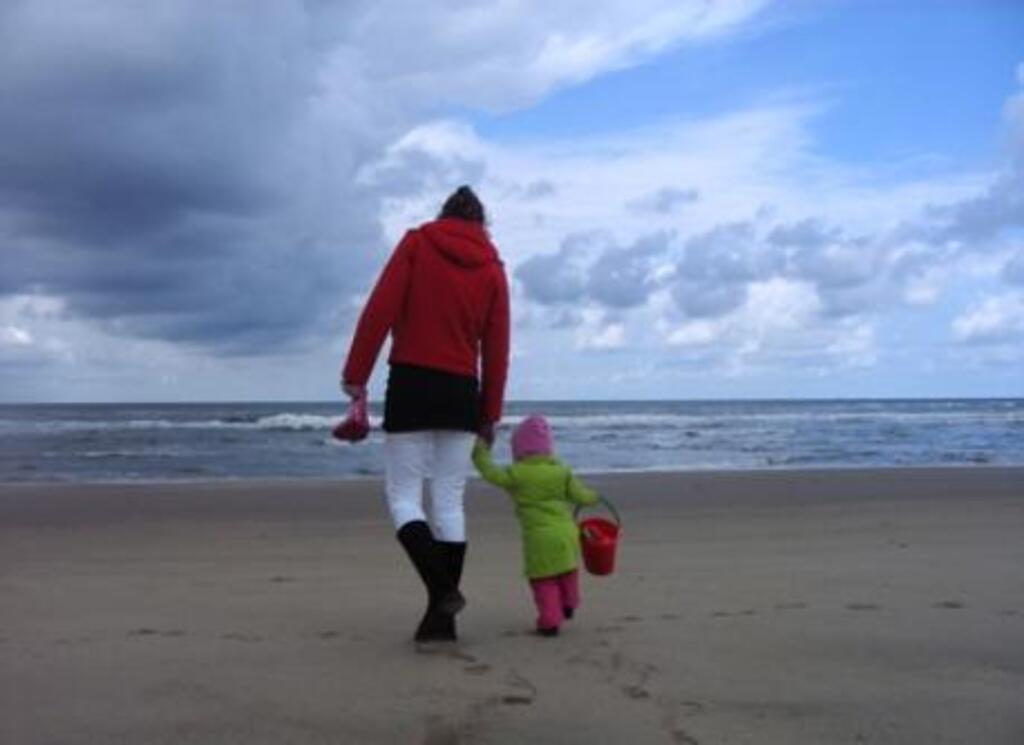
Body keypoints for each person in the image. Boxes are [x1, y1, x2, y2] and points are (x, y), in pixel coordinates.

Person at [341, 186, 510, 644]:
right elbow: (497, 350)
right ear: (482, 223)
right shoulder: (493, 270)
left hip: (412, 384)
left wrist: (356, 374)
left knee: (403, 497)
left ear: (444, 215)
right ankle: (442, 620)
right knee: (449, 500)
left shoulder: (417, 244)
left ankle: (442, 594)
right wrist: (489, 414)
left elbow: (379, 310)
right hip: (461, 392)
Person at [471, 415, 598, 636]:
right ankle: (569, 603)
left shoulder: (517, 474)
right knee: (568, 570)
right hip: (567, 533)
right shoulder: (561, 470)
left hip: (539, 538)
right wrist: (593, 497)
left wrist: (480, 450)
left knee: (543, 580)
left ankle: (549, 623)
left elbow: (490, 473)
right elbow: (581, 496)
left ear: (519, 449)